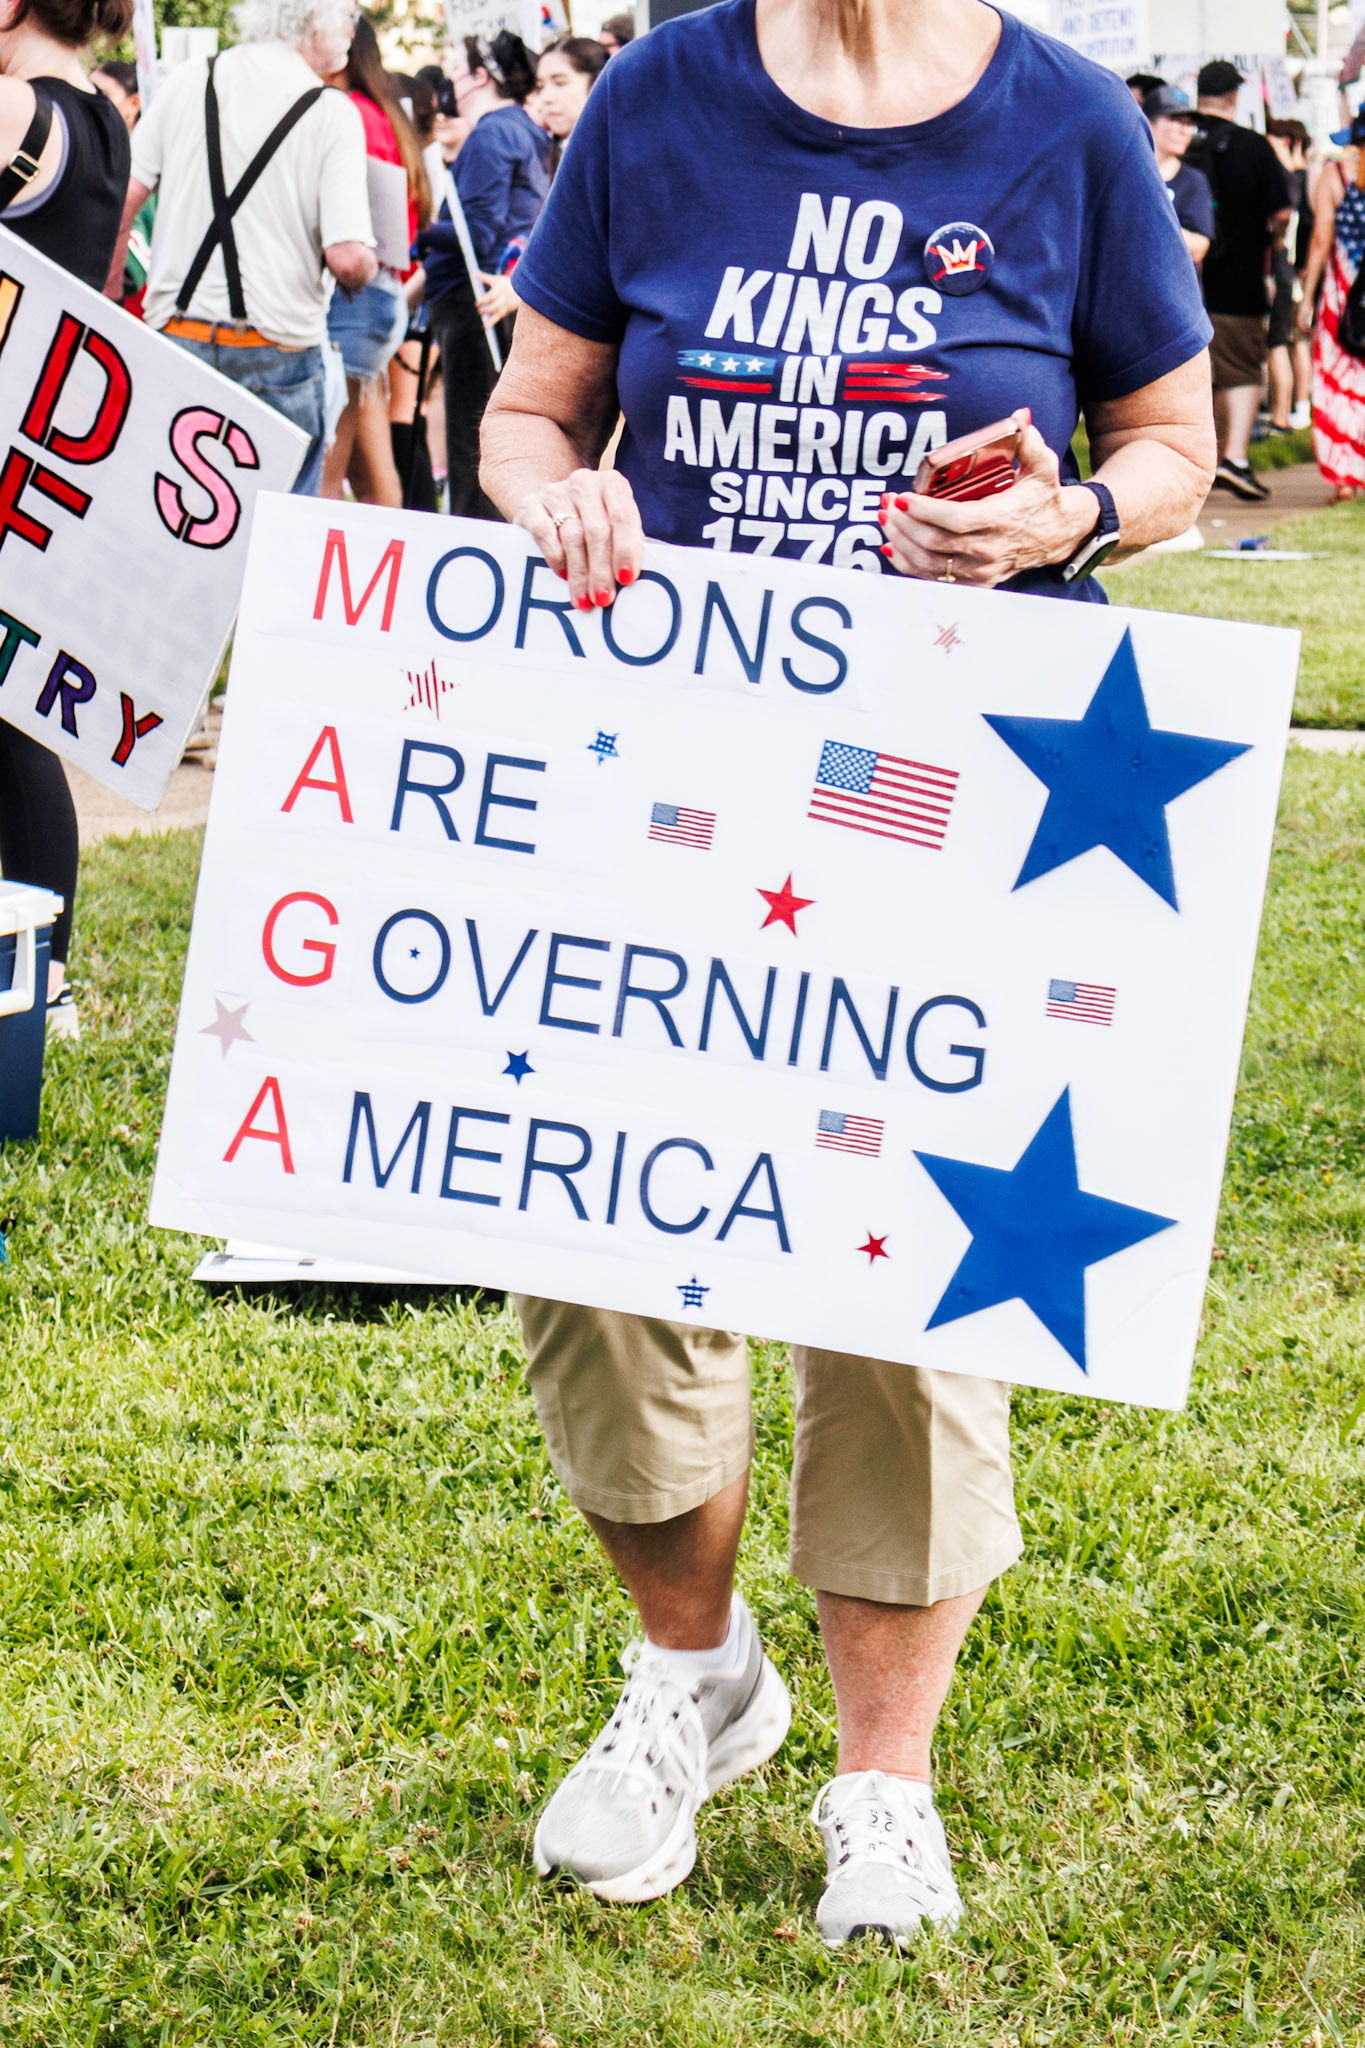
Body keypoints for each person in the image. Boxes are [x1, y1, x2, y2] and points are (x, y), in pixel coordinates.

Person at [481, 0, 1214, 1950]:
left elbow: (1174, 445)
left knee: (904, 1271)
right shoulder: (655, 98)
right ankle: (692, 1670)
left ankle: (884, 1782)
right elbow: (527, 409)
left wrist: (1065, 513)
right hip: (676, 774)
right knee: (607, 1247)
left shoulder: (1066, 121)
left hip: (948, 788)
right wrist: (553, 488)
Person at [0, 0, 132, 1038]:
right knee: (13, 719)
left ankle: (41, 979)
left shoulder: (12, 111)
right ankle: (42, 972)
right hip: (36, 444)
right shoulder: (105, 116)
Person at [110, 0, 377, 499]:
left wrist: (108, 300)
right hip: (277, 354)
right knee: (272, 528)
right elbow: (346, 258)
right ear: (314, 19)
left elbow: (122, 200)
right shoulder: (332, 111)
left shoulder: (189, 79)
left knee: (167, 515)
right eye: (349, 14)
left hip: (176, 337)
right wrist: (369, 263)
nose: (351, 29)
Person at [417, 30, 547, 518]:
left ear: (479, 77)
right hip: (497, 299)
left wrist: (419, 233)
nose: (449, 79)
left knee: (472, 442)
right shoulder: (523, 130)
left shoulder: (493, 132)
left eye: (456, 68)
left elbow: (478, 231)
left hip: (476, 302)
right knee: (492, 437)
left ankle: (474, 544)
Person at [320, 13, 430, 507]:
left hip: (354, 300)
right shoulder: (382, 113)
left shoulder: (351, 113)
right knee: (368, 468)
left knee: (325, 471)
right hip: (374, 298)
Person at [1185, 59, 1291, 502]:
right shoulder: (1253, 146)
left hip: (1182, 284)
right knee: (1243, 371)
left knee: (1196, 376)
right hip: (1239, 279)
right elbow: (1282, 210)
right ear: (1233, 95)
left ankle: (1198, 462)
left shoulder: (1179, 141)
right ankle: (1235, 458)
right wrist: (1277, 242)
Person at [1299, 109, 1365, 501]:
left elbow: (1321, 237)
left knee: (1339, 382)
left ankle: (1345, 478)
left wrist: (1306, 299)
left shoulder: (1335, 174)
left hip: (1344, 295)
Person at [1266, 117, 1312, 432]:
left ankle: (1283, 413)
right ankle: (1299, 408)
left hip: (1288, 271)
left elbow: (1294, 222)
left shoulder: (1293, 180)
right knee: (1295, 342)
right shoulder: (1303, 178)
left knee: (1280, 342)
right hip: (1297, 273)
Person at [1144, 84, 1212, 265]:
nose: (1184, 130)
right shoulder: (1127, 172)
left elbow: (1199, 247)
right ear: (1149, 122)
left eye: (1189, 124)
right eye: (1175, 120)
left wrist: (1145, 225)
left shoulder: (1193, 181)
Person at [536, 35, 607, 174]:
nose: (546, 98)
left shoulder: (619, 155)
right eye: (540, 87)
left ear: (595, 83)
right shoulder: (552, 152)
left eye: (560, 83)